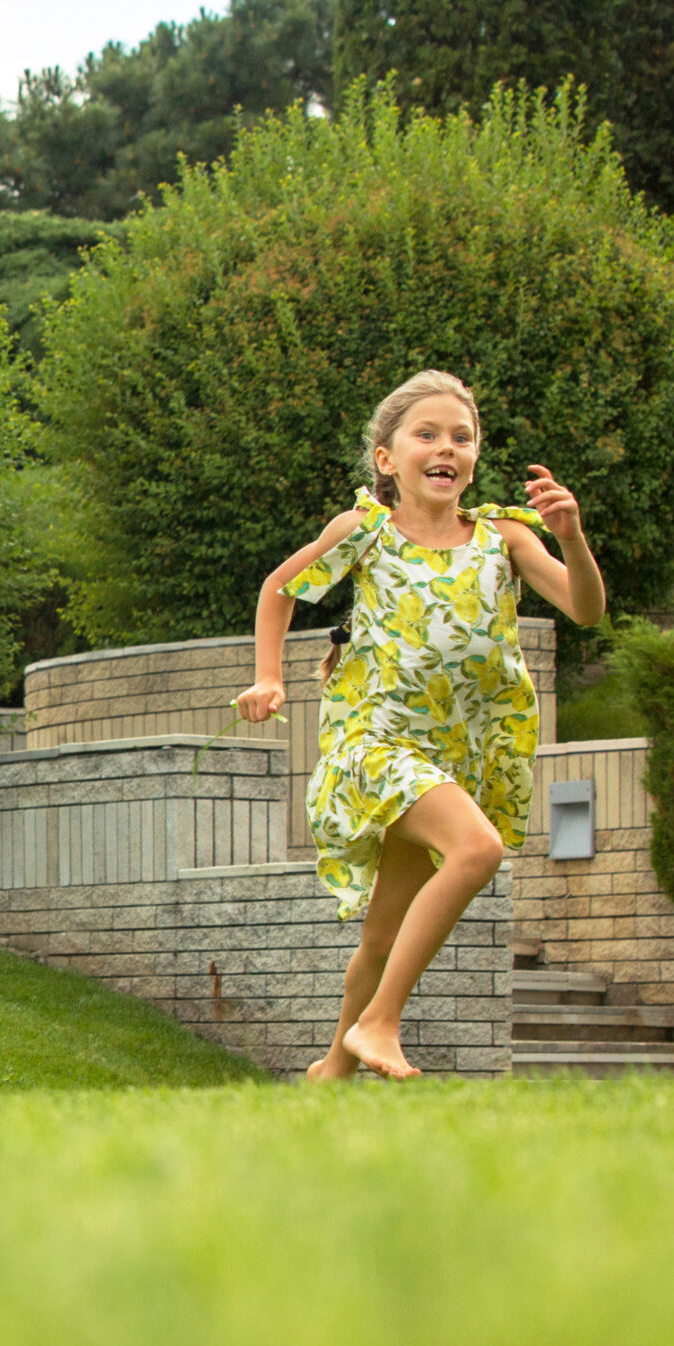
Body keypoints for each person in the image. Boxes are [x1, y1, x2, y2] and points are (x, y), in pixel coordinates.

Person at [236, 369, 603, 1080]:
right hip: (373, 743)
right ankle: (378, 1025)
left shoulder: (506, 540)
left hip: (449, 759)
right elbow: (279, 590)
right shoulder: (367, 532)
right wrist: (269, 676)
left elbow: (585, 609)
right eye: (426, 435)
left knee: (381, 937)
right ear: (387, 458)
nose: (446, 448)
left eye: (461, 438)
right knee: (477, 851)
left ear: (473, 458)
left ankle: (330, 1076)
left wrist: (573, 537)